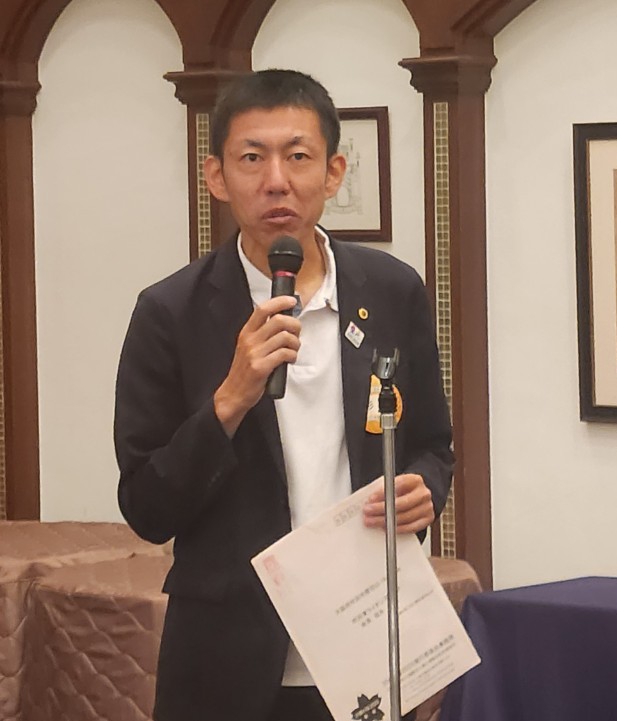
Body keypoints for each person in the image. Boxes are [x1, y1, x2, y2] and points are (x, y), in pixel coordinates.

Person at [114, 69, 453, 721]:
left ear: (333, 173)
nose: (276, 180)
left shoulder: (392, 291)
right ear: (216, 177)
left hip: (366, 643)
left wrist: (424, 488)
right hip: (226, 662)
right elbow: (147, 506)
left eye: (298, 157)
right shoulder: (170, 312)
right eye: (252, 158)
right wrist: (230, 399)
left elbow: (433, 444)